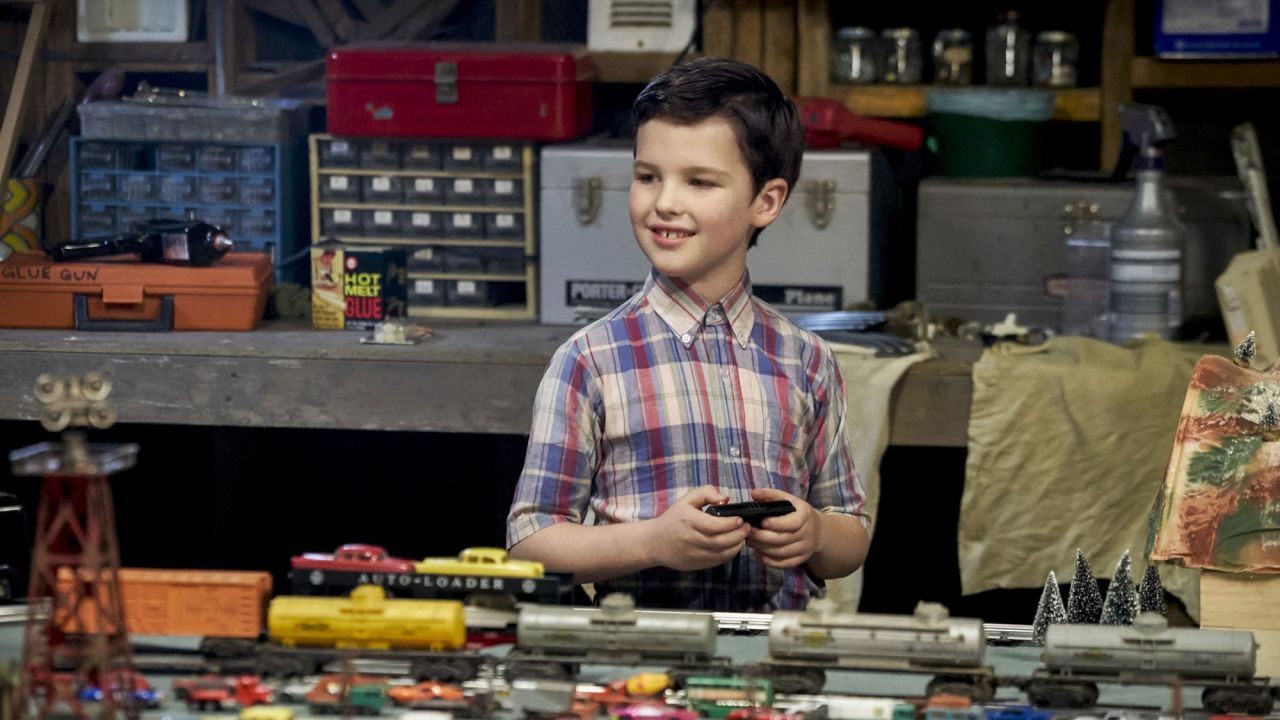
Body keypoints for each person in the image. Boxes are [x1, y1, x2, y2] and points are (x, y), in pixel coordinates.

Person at [506, 57, 869, 611]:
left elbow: (851, 531)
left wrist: (816, 533)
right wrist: (653, 541)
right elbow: (530, 542)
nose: (665, 203)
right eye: (648, 176)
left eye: (699, 182)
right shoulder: (590, 359)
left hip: (780, 650)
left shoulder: (807, 360)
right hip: (641, 650)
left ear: (766, 202)